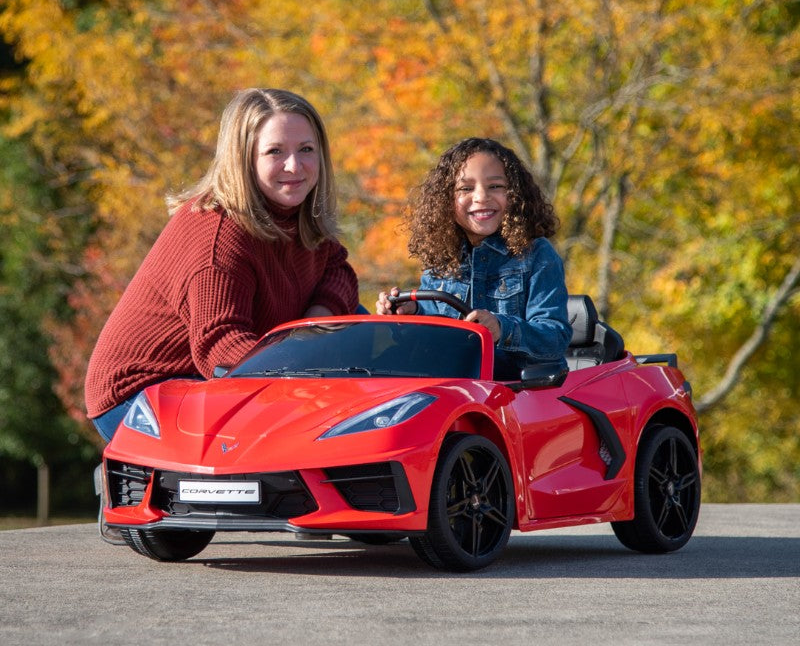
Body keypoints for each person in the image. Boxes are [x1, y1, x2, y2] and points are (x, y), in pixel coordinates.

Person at [85, 88, 359, 442]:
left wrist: (316, 321)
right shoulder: (218, 233)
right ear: (243, 158)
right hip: (144, 390)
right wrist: (307, 368)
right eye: (275, 151)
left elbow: (338, 270)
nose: (295, 165)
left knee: (351, 328)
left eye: (306, 149)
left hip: (210, 382)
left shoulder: (297, 215)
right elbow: (221, 343)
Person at [376, 137, 571, 374]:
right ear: (445, 200)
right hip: (458, 391)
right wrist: (412, 313)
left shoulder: (537, 255)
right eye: (466, 189)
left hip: (522, 394)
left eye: (495, 186)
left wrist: (502, 329)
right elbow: (435, 333)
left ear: (516, 195)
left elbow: (555, 338)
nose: (481, 197)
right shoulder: (442, 259)